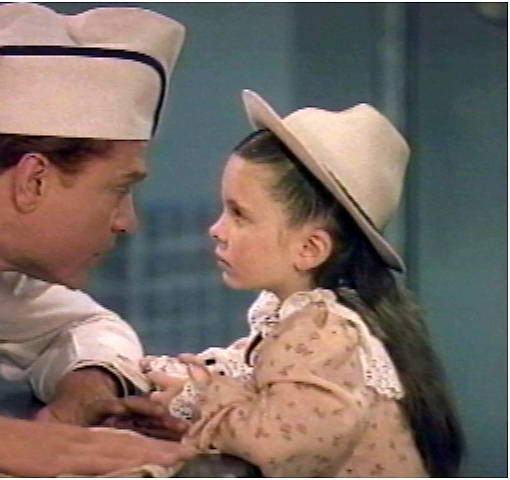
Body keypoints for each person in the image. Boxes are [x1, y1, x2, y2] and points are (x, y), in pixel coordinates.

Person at [0, 3, 196, 477]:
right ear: (34, 181)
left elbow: (83, 326)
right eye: (119, 189)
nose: (127, 222)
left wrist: (86, 394)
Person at [143, 90, 465, 477]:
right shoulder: (296, 322)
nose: (217, 230)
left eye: (239, 215)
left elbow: (280, 447)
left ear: (310, 248)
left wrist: (201, 398)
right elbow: (249, 378)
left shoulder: (324, 331)